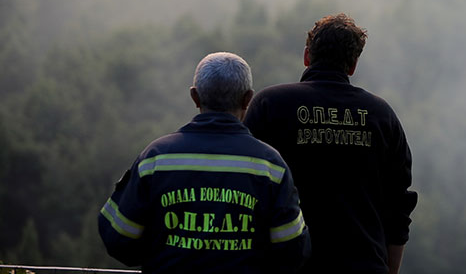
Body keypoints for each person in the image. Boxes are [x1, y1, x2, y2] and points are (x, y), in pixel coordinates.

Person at [98, 52, 310, 273]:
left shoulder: (156, 158)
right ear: (248, 98)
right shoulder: (271, 166)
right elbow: (293, 250)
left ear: (195, 96)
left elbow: (117, 238)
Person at [244, 13, 417, 274]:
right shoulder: (382, 115)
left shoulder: (271, 104)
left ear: (306, 55)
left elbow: (244, 187)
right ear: (352, 66)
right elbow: (399, 206)